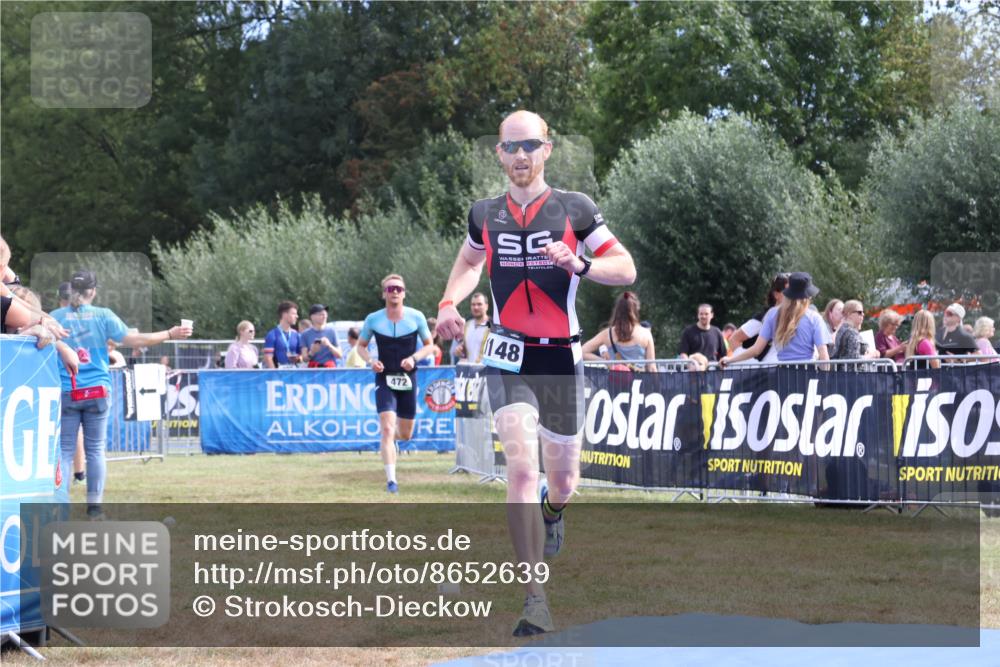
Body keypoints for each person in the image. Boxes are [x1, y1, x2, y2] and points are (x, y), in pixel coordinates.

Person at [435, 109, 636, 637]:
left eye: (529, 145)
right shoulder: (484, 213)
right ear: (498, 154)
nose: (520, 155)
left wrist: (579, 264)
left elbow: (626, 268)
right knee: (521, 468)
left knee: (565, 480)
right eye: (510, 147)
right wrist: (448, 302)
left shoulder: (575, 208)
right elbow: (469, 262)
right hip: (507, 353)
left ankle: (554, 510)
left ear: (547, 149)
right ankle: (534, 597)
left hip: (560, 356)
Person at [51, 270, 192, 518]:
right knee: (95, 449)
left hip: (68, 390)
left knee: (64, 450)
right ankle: (94, 507)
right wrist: (169, 334)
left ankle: (58, 504)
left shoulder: (55, 317)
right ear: (93, 292)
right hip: (97, 391)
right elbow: (136, 340)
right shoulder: (104, 316)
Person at [356, 274, 435, 494]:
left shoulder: (416, 316)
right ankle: (392, 481)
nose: (395, 292)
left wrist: (414, 359)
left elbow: (430, 346)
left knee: (405, 434)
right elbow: (360, 347)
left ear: (404, 292)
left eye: (399, 289)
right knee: (387, 428)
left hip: (408, 377)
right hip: (384, 377)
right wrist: (371, 360)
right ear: (384, 293)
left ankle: (392, 443)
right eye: (390, 289)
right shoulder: (373, 319)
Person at [722, 272, 831, 367]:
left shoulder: (772, 314)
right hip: (807, 373)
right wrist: (825, 381)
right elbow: (824, 355)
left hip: (782, 375)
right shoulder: (814, 318)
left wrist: (731, 360)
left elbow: (756, 349)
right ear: (808, 296)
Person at [581, 291, 655, 368]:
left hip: (614, 379)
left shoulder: (607, 334)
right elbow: (652, 367)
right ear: (636, 309)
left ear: (617, 310)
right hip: (640, 379)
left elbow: (582, 352)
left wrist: (605, 362)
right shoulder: (645, 334)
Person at [727, 274, 789, 365]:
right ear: (776, 294)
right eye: (788, 291)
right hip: (766, 370)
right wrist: (752, 365)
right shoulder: (763, 318)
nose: (793, 294)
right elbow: (734, 340)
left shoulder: (797, 316)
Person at [300, 304, 342, 368]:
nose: (324, 316)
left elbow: (340, 355)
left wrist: (329, 345)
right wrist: (312, 352)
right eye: (321, 314)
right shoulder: (305, 334)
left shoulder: (332, 331)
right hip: (313, 371)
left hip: (330, 370)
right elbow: (304, 359)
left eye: (325, 314)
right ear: (312, 317)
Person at [454, 292, 491, 363]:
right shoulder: (467, 325)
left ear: (486, 306)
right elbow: (465, 350)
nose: (476, 307)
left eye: (479, 304)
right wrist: (460, 350)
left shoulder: (493, 327)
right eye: (473, 304)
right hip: (470, 372)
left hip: (487, 372)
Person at [263, 301, 301, 368]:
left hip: (294, 373)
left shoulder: (296, 335)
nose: (297, 316)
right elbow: (268, 358)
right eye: (294, 314)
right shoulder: (272, 335)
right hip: (279, 373)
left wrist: (298, 358)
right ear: (284, 314)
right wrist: (275, 375)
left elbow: (302, 356)